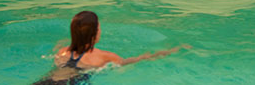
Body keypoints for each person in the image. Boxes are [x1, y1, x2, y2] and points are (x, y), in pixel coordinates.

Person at [35, 11, 183, 84]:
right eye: (99, 27)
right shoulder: (105, 57)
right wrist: (163, 53)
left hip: (46, 81)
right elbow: (129, 62)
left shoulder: (63, 52)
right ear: (95, 33)